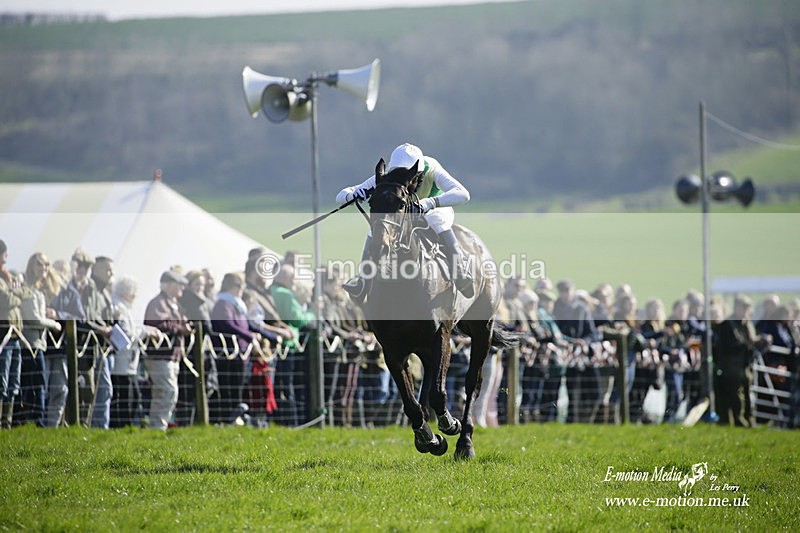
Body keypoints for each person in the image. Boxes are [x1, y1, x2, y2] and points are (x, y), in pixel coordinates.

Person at [335, 143, 474, 303]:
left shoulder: (433, 169)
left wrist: (430, 203)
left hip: (434, 210)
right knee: (379, 228)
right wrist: (353, 194)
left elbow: (463, 194)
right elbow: (341, 195)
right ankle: (363, 281)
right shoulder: (388, 177)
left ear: (419, 172)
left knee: (437, 220)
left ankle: (460, 270)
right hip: (403, 217)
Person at [49, 247, 111, 427]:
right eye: (80, 265)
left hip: (87, 345)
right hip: (65, 344)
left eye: (87, 266)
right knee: (65, 387)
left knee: (88, 389)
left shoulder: (90, 288)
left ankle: (83, 425)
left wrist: (102, 327)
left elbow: (89, 315)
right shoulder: (63, 288)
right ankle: (65, 426)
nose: (83, 269)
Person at [143, 270, 193, 430]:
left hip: (172, 356)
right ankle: (157, 427)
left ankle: (159, 427)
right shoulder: (157, 303)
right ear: (170, 285)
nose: (183, 289)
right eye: (180, 285)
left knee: (169, 392)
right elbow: (157, 324)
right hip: (160, 356)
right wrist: (181, 329)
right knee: (166, 391)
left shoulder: (174, 304)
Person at [110, 275, 161, 428]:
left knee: (133, 397)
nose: (136, 295)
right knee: (125, 398)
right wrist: (146, 333)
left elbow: (135, 329)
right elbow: (127, 332)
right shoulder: (119, 307)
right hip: (121, 361)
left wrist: (148, 330)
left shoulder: (125, 307)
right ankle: (120, 429)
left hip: (129, 362)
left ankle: (126, 428)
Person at [712, 294, 769, 427]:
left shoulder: (747, 324)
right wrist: (749, 343)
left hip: (745, 366)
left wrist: (760, 342)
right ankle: (738, 421)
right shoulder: (727, 325)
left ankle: (749, 420)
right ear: (737, 308)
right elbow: (727, 347)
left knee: (748, 395)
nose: (747, 311)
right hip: (731, 367)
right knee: (736, 397)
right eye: (745, 308)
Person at [210, 272, 260, 425]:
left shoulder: (236, 304)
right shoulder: (223, 304)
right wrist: (249, 336)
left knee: (238, 386)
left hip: (241, 353)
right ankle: (228, 418)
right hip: (229, 353)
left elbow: (246, 324)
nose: (242, 289)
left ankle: (235, 416)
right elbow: (227, 324)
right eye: (240, 286)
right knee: (229, 387)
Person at [18, 253, 62, 426]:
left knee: (37, 384)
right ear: (31, 267)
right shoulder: (28, 289)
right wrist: (54, 324)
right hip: (30, 345)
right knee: (36, 385)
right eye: (39, 264)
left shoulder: (36, 290)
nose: (44, 268)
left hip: (37, 344)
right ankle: (35, 422)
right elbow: (34, 318)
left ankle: (34, 421)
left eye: (46, 264)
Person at [270, 264, 315, 426]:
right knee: (287, 386)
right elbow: (298, 319)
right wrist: (313, 313)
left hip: (279, 345)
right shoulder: (284, 294)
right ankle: (289, 421)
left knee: (281, 385)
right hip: (287, 346)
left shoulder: (272, 291)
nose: (295, 281)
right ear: (283, 278)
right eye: (292, 277)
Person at [0, 239, 24, 428]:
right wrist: (16, 293)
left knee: (13, 382)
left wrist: (15, 292)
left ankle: (7, 422)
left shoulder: (7, 276)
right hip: (3, 336)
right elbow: (5, 300)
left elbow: (20, 293)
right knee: (2, 380)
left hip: (15, 334)